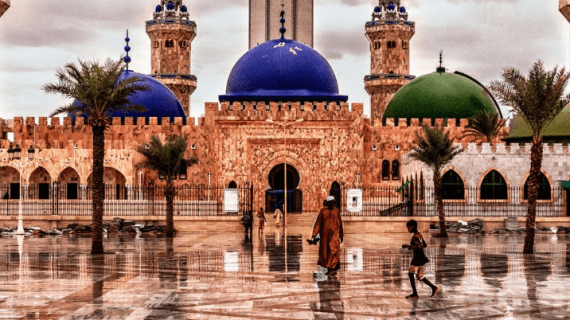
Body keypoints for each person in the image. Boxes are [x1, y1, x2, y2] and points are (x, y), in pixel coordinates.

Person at [402, 219, 439, 299]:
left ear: (413, 227)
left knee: (410, 274)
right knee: (420, 276)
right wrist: (412, 247)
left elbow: (418, 248)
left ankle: (415, 294)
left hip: (417, 259)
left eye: (409, 227)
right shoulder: (419, 235)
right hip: (421, 258)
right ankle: (434, 287)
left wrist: (407, 246)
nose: (408, 229)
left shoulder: (415, 236)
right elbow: (424, 245)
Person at [309, 196, 344, 276]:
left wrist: (341, 235)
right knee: (326, 252)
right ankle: (329, 268)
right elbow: (318, 223)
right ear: (328, 203)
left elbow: (340, 223)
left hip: (334, 235)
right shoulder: (323, 211)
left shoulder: (336, 211)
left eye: (333, 202)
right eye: (331, 202)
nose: (332, 203)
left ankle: (332, 268)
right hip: (325, 236)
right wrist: (314, 235)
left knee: (334, 251)